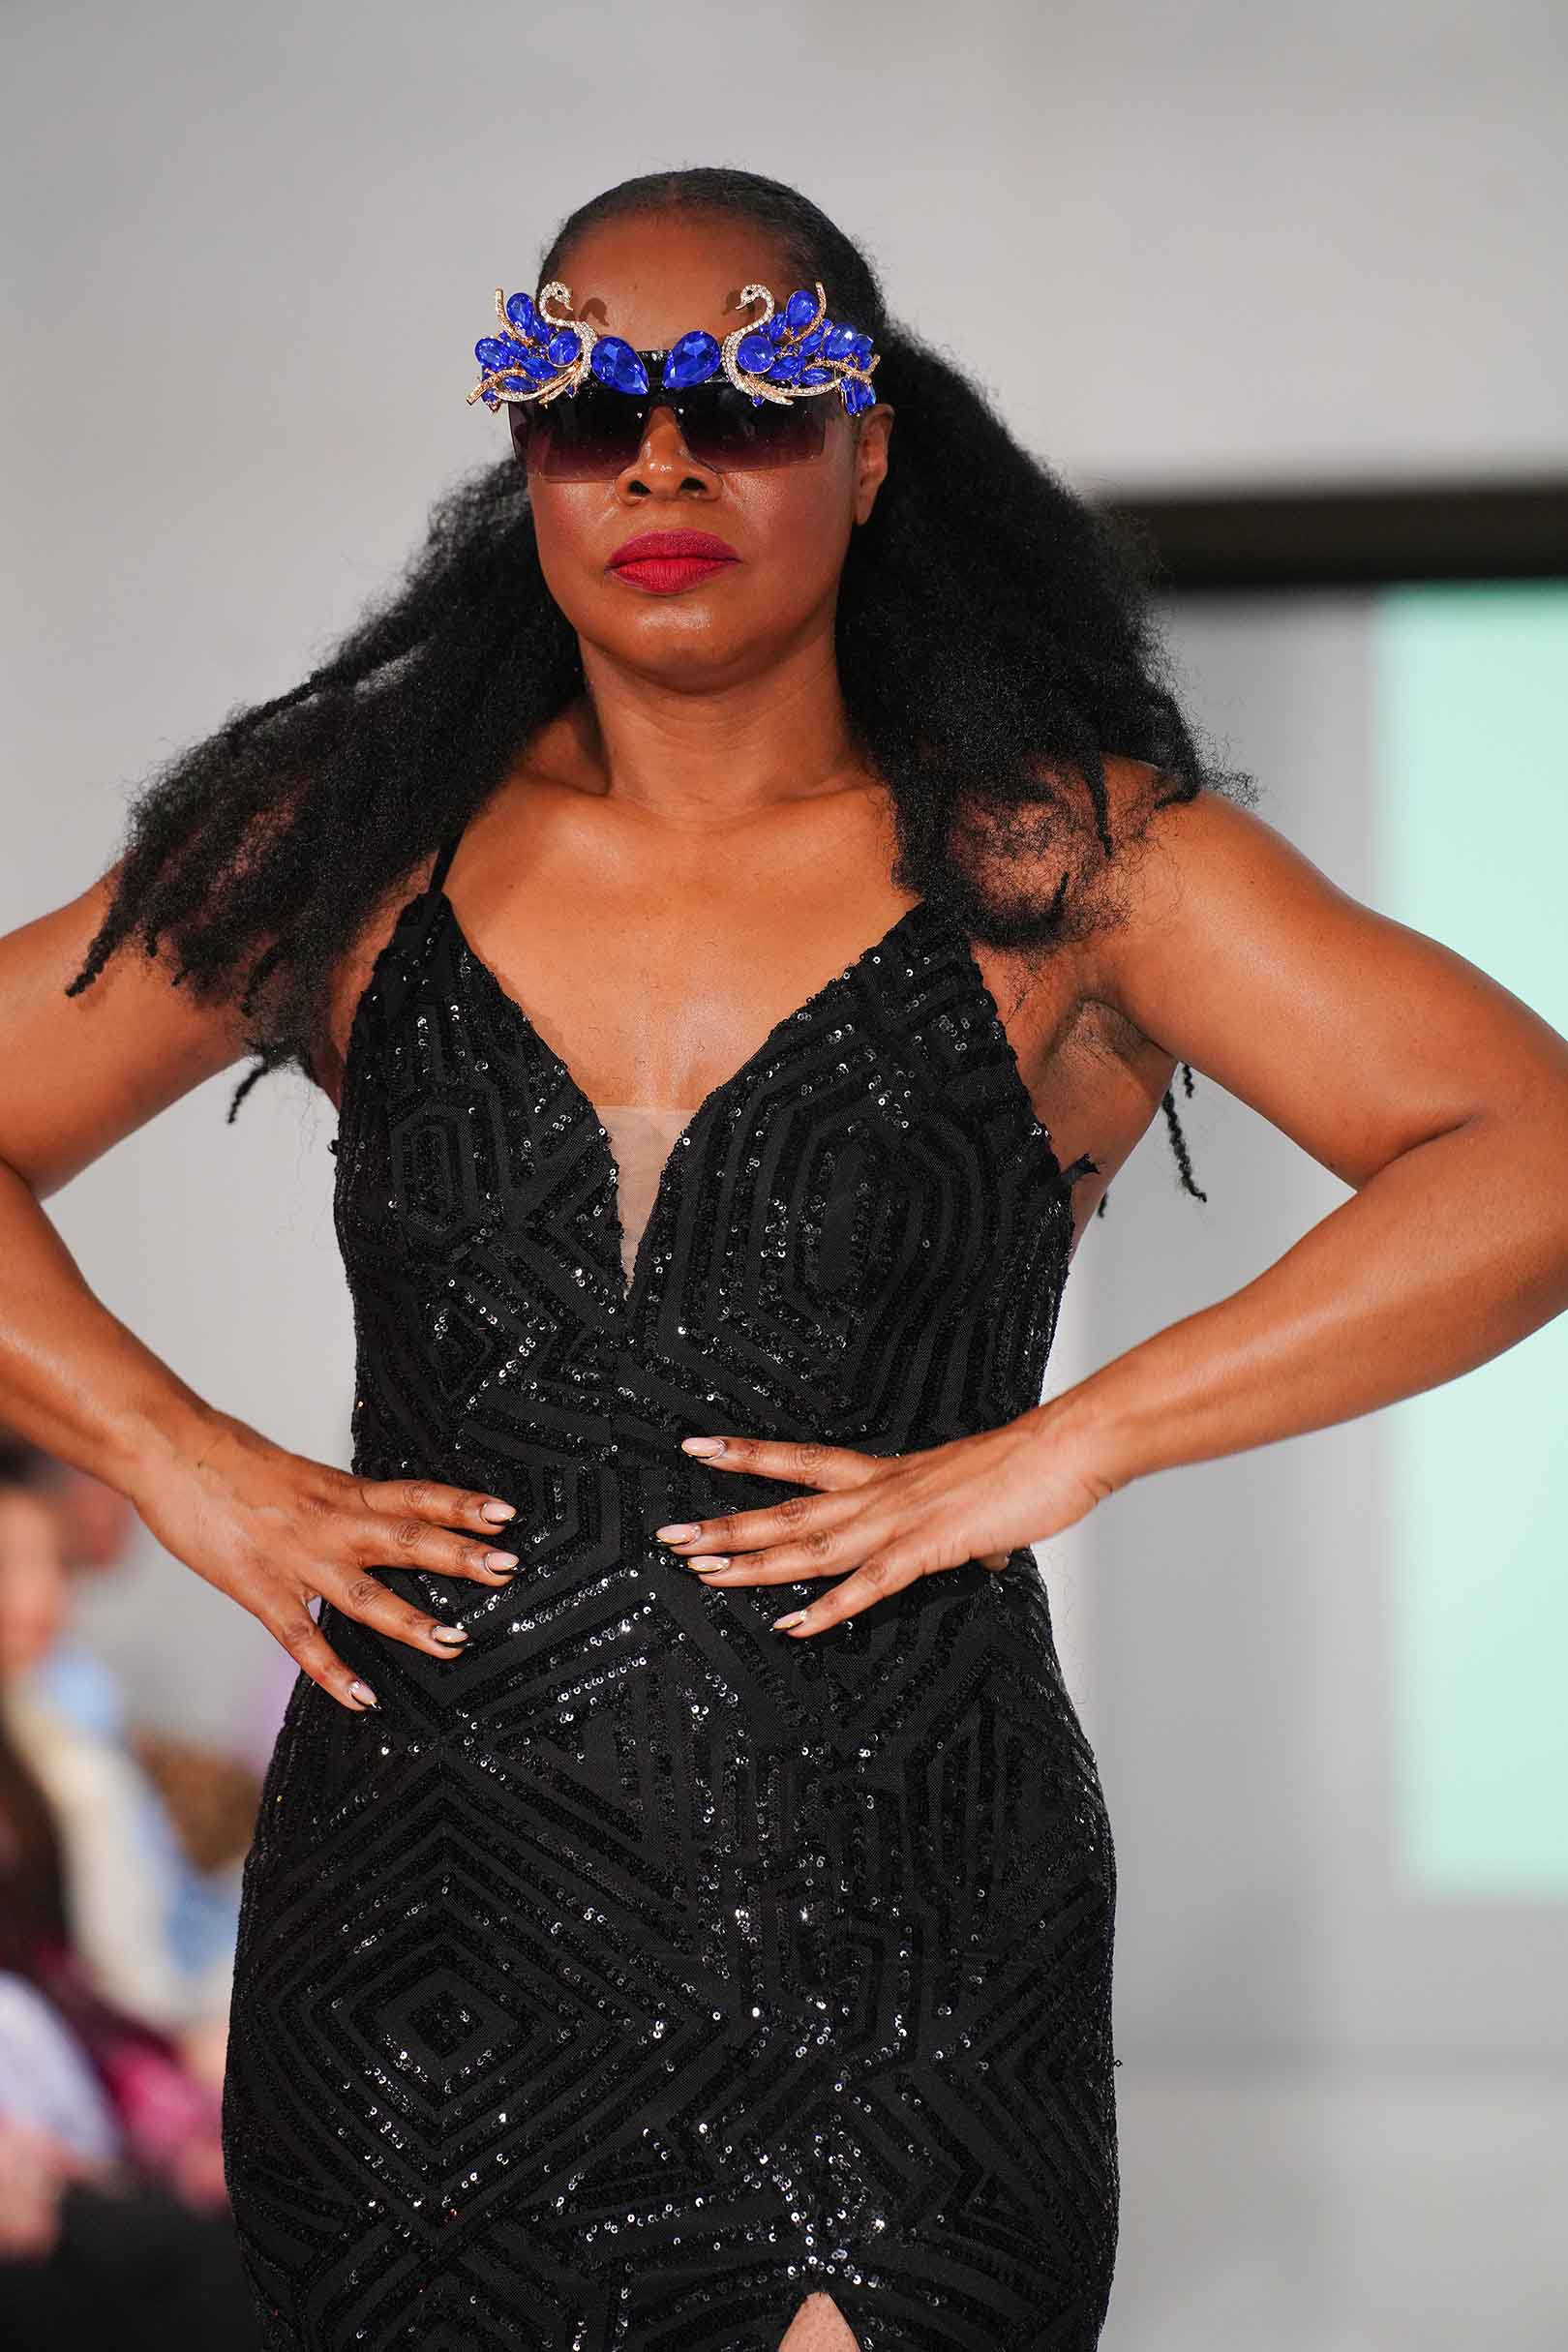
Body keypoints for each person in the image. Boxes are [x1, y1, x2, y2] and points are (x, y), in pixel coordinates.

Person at [2, 165, 1566, 2352]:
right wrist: (180, 1460)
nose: (660, 462)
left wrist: (1074, 1444)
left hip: (895, 1939)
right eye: (589, 406)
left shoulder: (1067, 865)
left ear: (868, 446)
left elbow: (1529, 1145)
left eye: (742, 402)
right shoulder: (353, 850)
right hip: (420, 1954)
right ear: (526, 458)